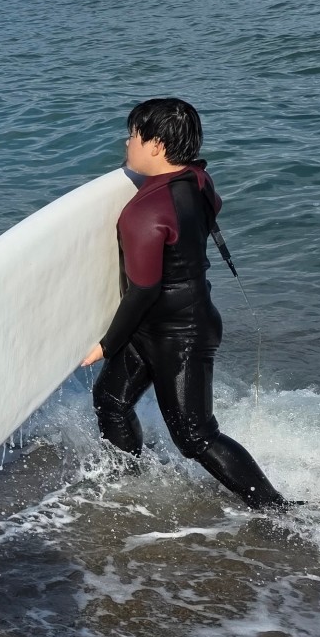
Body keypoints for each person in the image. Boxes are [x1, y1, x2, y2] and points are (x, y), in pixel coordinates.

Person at [79, 98, 286, 510]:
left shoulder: (144, 212)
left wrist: (105, 344)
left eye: (134, 135)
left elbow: (143, 289)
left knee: (194, 436)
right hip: (157, 325)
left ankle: (277, 509)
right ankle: (126, 486)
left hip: (181, 334)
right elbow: (211, 207)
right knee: (110, 399)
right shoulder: (198, 180)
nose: (127, 142)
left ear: (155, 146)